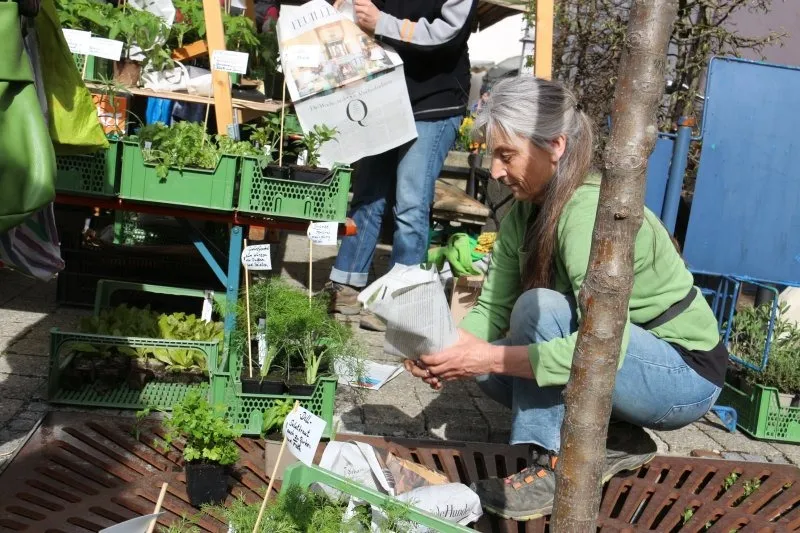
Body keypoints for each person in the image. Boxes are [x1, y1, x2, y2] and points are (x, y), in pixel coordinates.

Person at [403, 76, 729, 521]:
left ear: (555, 145)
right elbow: (492, 308)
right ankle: (617, 438)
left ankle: (553, 466)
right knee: (487, 352)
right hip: (617, 359)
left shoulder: (588, 215)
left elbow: (599, 349)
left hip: (679, 374)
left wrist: (483, 359)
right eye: (492, 156)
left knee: (537, 312)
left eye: (506, 155)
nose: (496, 171)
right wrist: (445, 350)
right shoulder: (524, 211)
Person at [325, 0, 479, 331]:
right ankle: (348, 286)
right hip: (382, 93)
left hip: (434, 102)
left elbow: (447, 34)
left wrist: (382, 22)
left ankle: (398, 303)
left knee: (410, 204)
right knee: (368, 194)